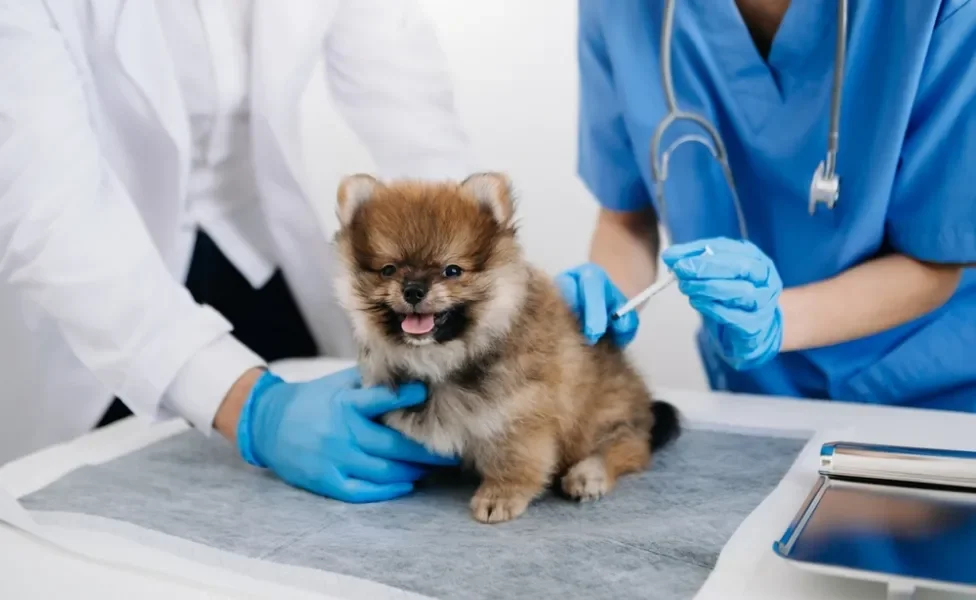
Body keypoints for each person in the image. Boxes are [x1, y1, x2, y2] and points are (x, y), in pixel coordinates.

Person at [0, 0, 470, 500]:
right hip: (105, 299)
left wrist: (489, 270)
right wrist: (254, 410)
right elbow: (51, 212)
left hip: (258, 255)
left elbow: (408, 102)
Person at [557, 0, 976, 412]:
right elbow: (626, 222)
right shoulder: (618, 10)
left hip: (933, 396)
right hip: (759, 402)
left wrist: (777, 320)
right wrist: (604, 302)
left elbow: (936, 262)